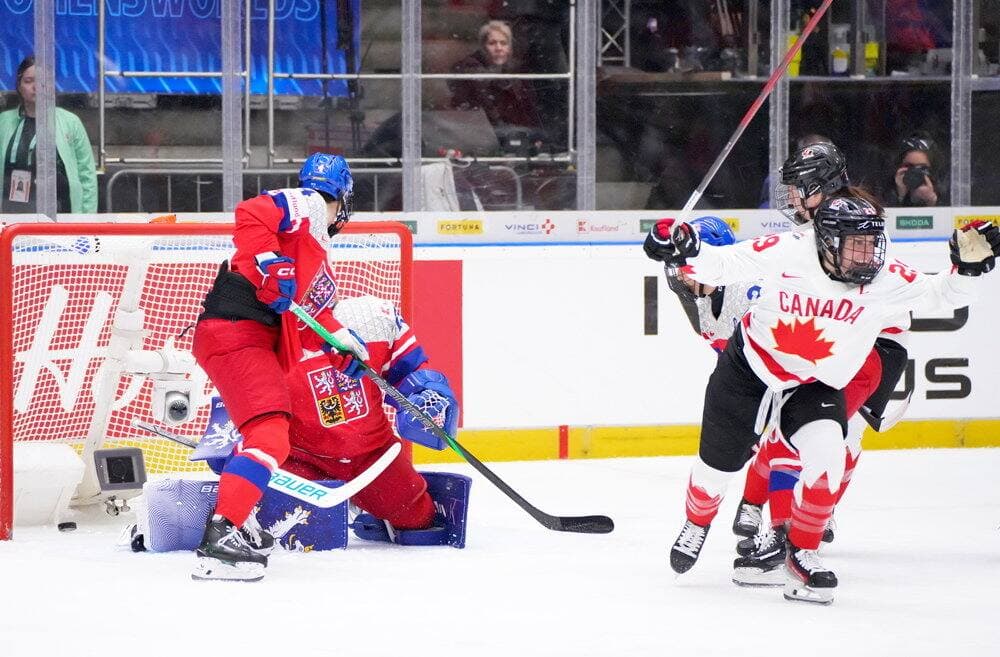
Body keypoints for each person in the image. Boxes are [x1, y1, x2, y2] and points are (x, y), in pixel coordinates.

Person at [645, 195, 1000, 604]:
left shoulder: (886, 277)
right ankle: (697, 523)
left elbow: (945, 295)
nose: (868, 253)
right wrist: (684, 248)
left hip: (816, 381)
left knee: (829, 457)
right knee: (716, 466)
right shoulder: (789, 250)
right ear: (827, 241)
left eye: (872, 242)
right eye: (856, 243)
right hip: (752, 368)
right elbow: (721, 266)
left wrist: (970, 270)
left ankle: (802, 556)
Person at [189, 153, 459, 581]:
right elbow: (251, 212)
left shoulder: (314, 253)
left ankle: (233, 527)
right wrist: (266, 262)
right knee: (270, 434)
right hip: (237, 331)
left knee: (269, 434)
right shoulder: (310, 205)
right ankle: (221, 538)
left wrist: (344, 346)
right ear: (345, 199)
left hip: (251, 337)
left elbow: (314, 319)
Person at [0, 55, 97, 214]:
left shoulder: (70, 122)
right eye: (28, 81)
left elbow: (87, 175)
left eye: (42, 81)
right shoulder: (3, 122)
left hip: (61, 211)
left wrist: (86, 219)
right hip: (12, 211)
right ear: (19, 86)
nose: (36, 87)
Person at [449, 20, 543, 147]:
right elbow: (481, 106)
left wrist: (537, 137)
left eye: (503, 43)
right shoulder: (468, 68)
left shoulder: (517, 71)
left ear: (510, 47)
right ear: (483, 46)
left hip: (514, 135)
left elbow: (527, 108)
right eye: (492, 43)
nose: (499, 48)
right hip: (478, 133)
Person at [884, 132, 945, 207]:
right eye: (908, 166)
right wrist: (899, 196)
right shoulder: (886, 190)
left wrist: (932, 201)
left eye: (922, 168)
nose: (915, 172)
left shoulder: (945, 193)